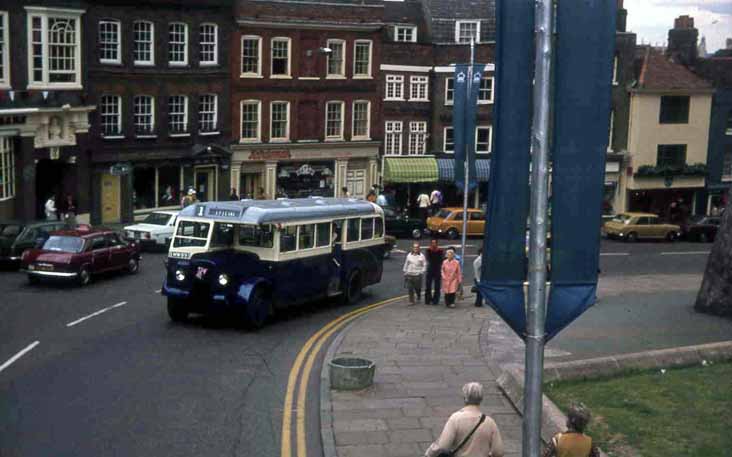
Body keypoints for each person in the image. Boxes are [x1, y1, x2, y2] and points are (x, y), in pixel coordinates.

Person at [424, 382, 504, 457]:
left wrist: (429, 453)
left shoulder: (456, 419)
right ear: (481, 399)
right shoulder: (490, 422)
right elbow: (498, 452)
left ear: (465, 398)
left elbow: (443, 446)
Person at [424, 239, 444, 305]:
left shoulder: (440, 251)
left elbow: (442, 259)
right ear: (431, 243)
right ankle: (428, 300)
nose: (433, 244)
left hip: (437, 269)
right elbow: (428, 259)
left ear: (437, 244)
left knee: (437, 286)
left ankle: (436, 300)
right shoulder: (428, 250)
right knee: (428, 285)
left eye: (435, 243)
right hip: (430, 269)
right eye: (432, 243)